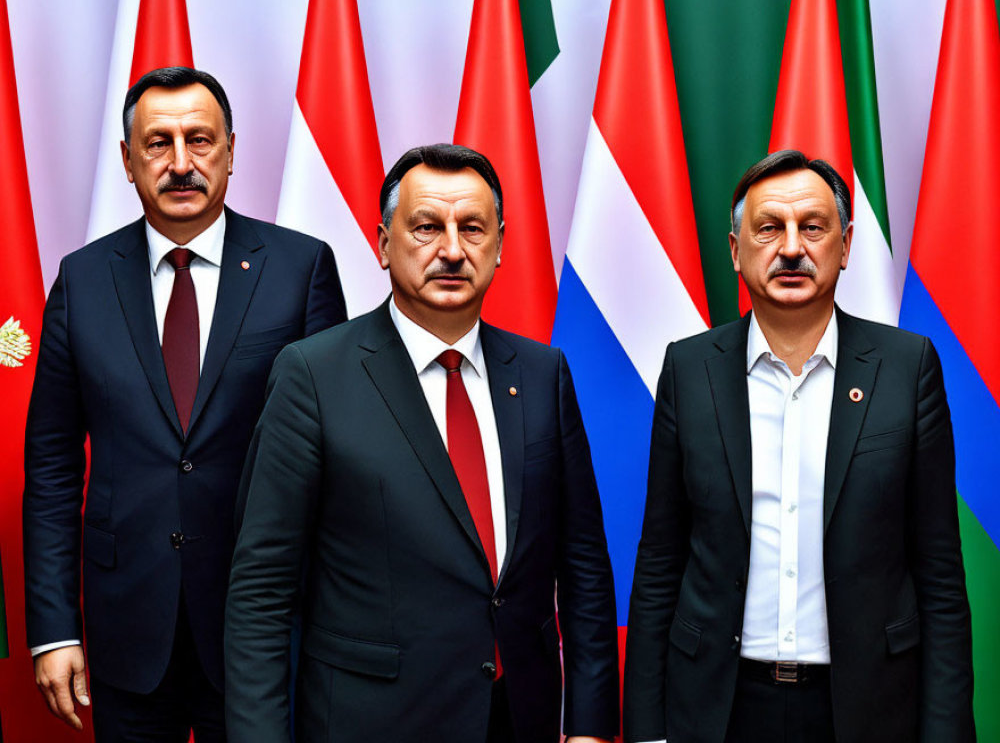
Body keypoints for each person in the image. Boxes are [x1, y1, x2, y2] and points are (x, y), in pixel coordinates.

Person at [225, 143, 619, 743]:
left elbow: (584, 565)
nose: (453, 251)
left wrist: (590, 724)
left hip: (519, 718)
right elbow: (262, 590)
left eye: (473, 229)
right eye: (427, 228)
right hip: (370, 722)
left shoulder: (543, 374)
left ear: (501, 245)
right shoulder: (314, 374)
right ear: (384, 243)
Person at [23, 66, 347, 741]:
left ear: (230, 150)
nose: (180, 164)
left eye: (199, 141)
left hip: (263, 624)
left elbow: (336, 460)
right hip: (125, 626)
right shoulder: (81, 279)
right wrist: (53, 632)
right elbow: (51, 467)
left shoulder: (301, 268)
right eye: (157, 143)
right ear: (127, 159)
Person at [623, 150, 974, 743]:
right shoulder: (689, 370)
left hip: (864, 707)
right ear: (736, 251)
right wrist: (647, 729)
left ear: (845, 244)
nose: (791, 248)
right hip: (718, 706)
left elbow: (938, 576)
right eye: (769, 228)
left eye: (812, 227)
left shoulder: (906, 367)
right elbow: (661, 561)